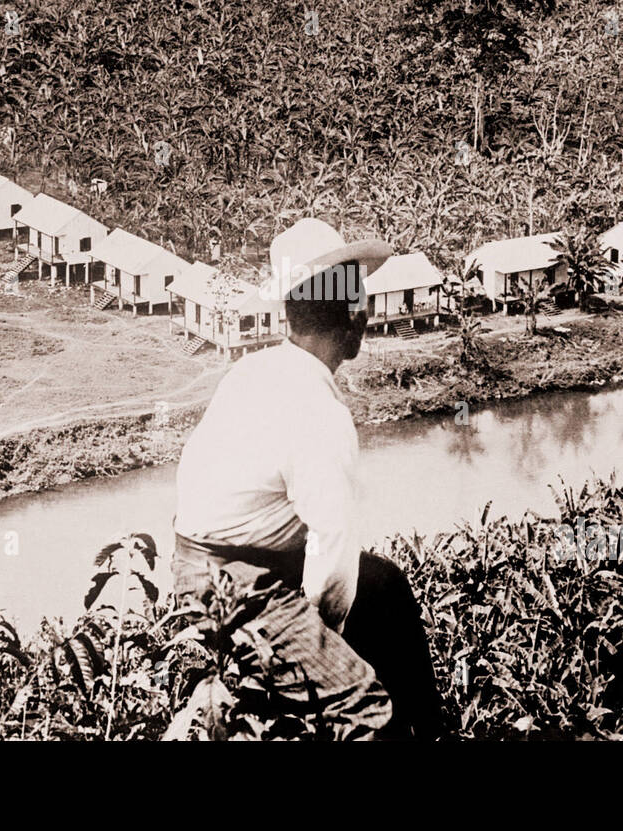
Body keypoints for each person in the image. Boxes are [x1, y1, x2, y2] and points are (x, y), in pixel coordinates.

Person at [173, 218, 444, 740]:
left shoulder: (258, 370)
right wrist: (327, 647)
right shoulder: (318, 410)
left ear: (289, 318)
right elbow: (333, 556)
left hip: (214, 561)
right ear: (353, 320)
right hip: (232, 582)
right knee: (363, 709)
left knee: (386, 585)